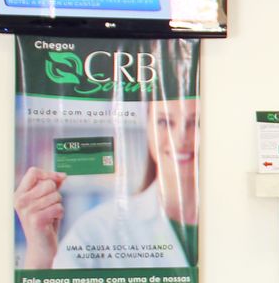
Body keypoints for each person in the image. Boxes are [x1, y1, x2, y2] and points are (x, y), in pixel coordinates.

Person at [13, 93, 198, 271]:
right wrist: (40, 254)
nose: (179, 139)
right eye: (164, 122)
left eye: (197, 122)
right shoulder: (95, 230)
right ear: (148, 127)